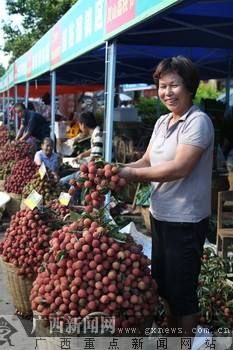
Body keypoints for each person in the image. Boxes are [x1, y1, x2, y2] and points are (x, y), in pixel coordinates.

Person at [119, 56, 214, 339]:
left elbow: (179, 168)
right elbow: (147, 160)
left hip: (185, 221)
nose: (167, 92)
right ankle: (172, 341)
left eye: (174, 85)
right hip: (160, 217)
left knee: (182, 293)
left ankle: (182, 342)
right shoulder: (162, 122)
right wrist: (115, 170)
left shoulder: (198, 122)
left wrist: (131, 175)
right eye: (162, 86)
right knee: (165, 288)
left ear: (190, 88)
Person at [59, 111, 103, 198]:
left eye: (80, 125)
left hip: (96, 171)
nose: (80, 128)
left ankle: (72, 203)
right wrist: (82, 155)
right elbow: (95, 149)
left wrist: (84, 168)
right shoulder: (96, 133)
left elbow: (95, 156)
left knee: (66, 182)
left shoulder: (97, 134)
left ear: (83, 124)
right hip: (93, 169)